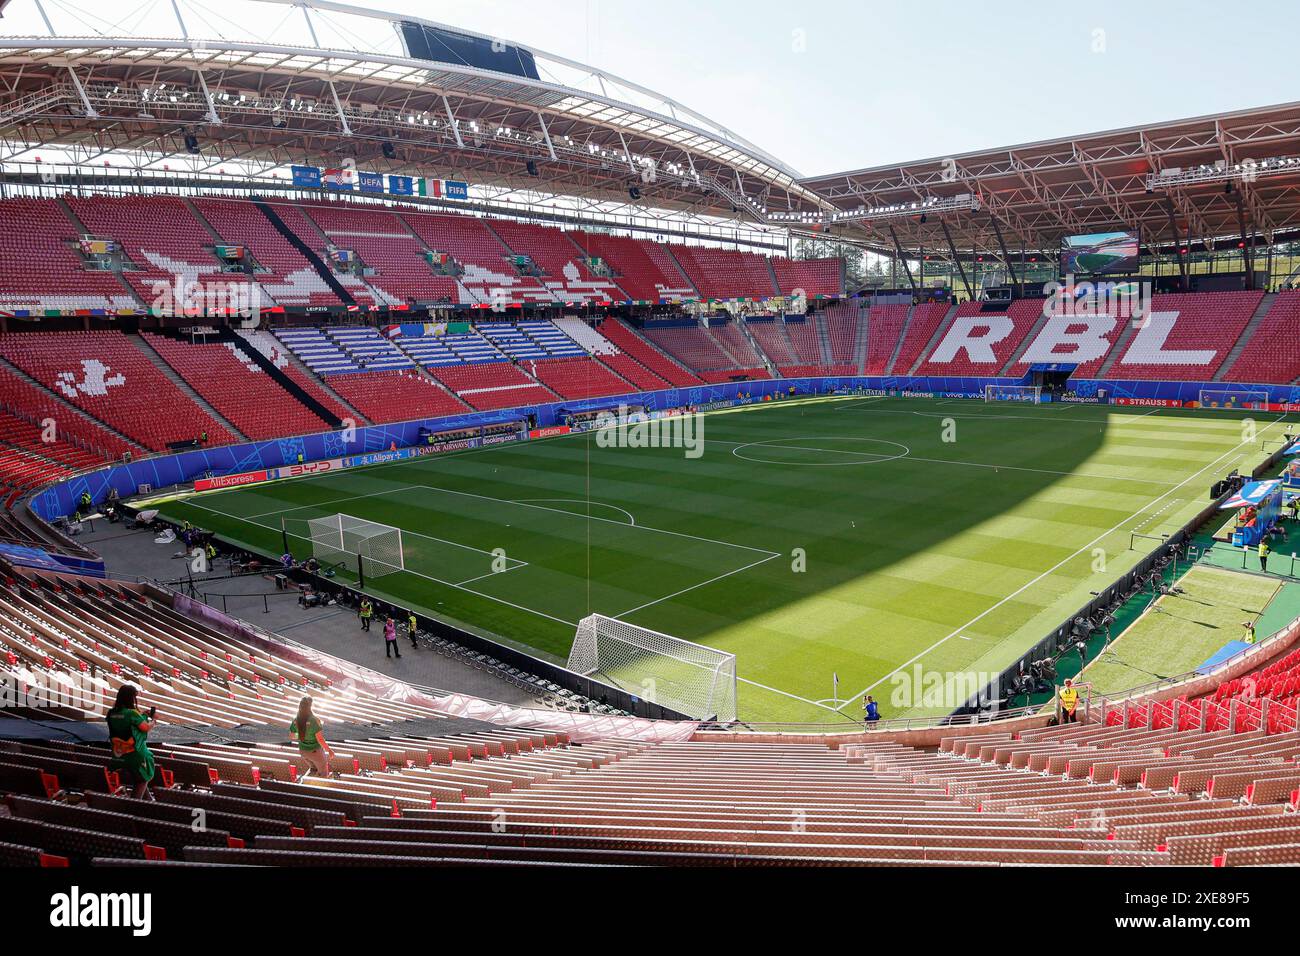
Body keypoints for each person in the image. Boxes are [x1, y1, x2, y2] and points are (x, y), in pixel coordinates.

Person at [105, 684, 157, 800]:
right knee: (142, 780)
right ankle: (133, 807)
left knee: (140, 779)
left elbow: (127, 723)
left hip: (119, 754)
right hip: (135, 755)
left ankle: (150, 803)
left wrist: (143, 715)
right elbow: (145, 728)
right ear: (131, 698)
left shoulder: (111, 713)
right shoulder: (132, 713)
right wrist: (153, 721)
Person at [288, 696, 332, 778]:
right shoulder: (314, 720)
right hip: (315, 752)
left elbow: (291, 736)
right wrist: (329, 750)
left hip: (303, 751)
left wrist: (302, 735)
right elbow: (320, 739)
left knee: (313, 769)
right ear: (311, 706)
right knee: (323, 774)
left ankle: (305, 785)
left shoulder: (296, 720)